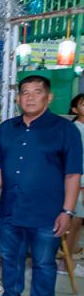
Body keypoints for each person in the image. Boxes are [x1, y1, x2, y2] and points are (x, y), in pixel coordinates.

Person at [0, 75, 82, 296]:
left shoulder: (65, 131)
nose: (30, 97)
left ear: (49, 97)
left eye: (36, 92)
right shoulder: (6, 129)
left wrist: (67, 211)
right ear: (18, 98)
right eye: (25, 92)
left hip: (47, 213)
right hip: (10, 209)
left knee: (43, 262)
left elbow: (73, 174)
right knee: (10, 258)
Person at [62, 93, 84, 270]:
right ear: (75, 110)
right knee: (74, 221)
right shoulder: (74, 129)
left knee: (78, 222)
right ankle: (65, 261)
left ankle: (71, 253)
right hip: (79, 183)